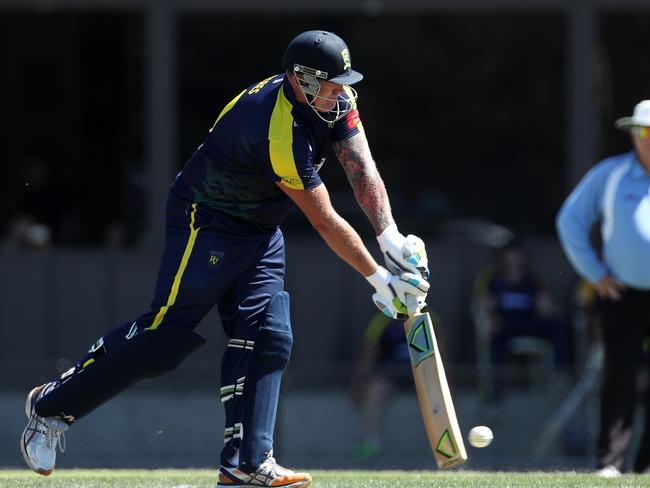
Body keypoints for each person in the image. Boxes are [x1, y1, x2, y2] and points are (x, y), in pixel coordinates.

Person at [20, 30, 430, 487]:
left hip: (259, 229)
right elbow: (323, 219)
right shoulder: (274, 126)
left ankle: (246, 464)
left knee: (270, 332)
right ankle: (51, 406)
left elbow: (361, 168)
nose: (340, 93)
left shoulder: (336, 100)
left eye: (341, 84)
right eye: (331, 84)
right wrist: (378, 279)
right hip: (208, 221)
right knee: (162, 339)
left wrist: (390, 236)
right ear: (302, 80)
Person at [556, 100, 650, 477]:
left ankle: (646, 466)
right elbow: (570, 220)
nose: (645, 139)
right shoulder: (611, 175)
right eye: (640, 131)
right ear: (633, 133)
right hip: (620, 293)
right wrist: (594, 273)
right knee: (619, 376)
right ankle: (611, 463)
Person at [474, 238, 572, 402]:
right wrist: (491, 319)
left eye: (516, 254)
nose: (513, 258)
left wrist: (554, 311)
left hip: (529, 323)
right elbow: (483, 304)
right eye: (509, 254)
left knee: (560, 325)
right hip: (505, 325)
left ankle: (560, 376)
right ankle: (496, 389)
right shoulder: (492, 279)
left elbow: (544, 306)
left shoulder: (532, 279)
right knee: (496, 337)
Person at [349, 312, 413, 460]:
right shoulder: (382, 321)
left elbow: (439, 351)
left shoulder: (427, 317)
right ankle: (370, 442)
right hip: (391, 373)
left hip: (419, 371)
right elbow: (370, 353)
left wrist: (448, 383)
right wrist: (359, 383)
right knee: (375, 389)